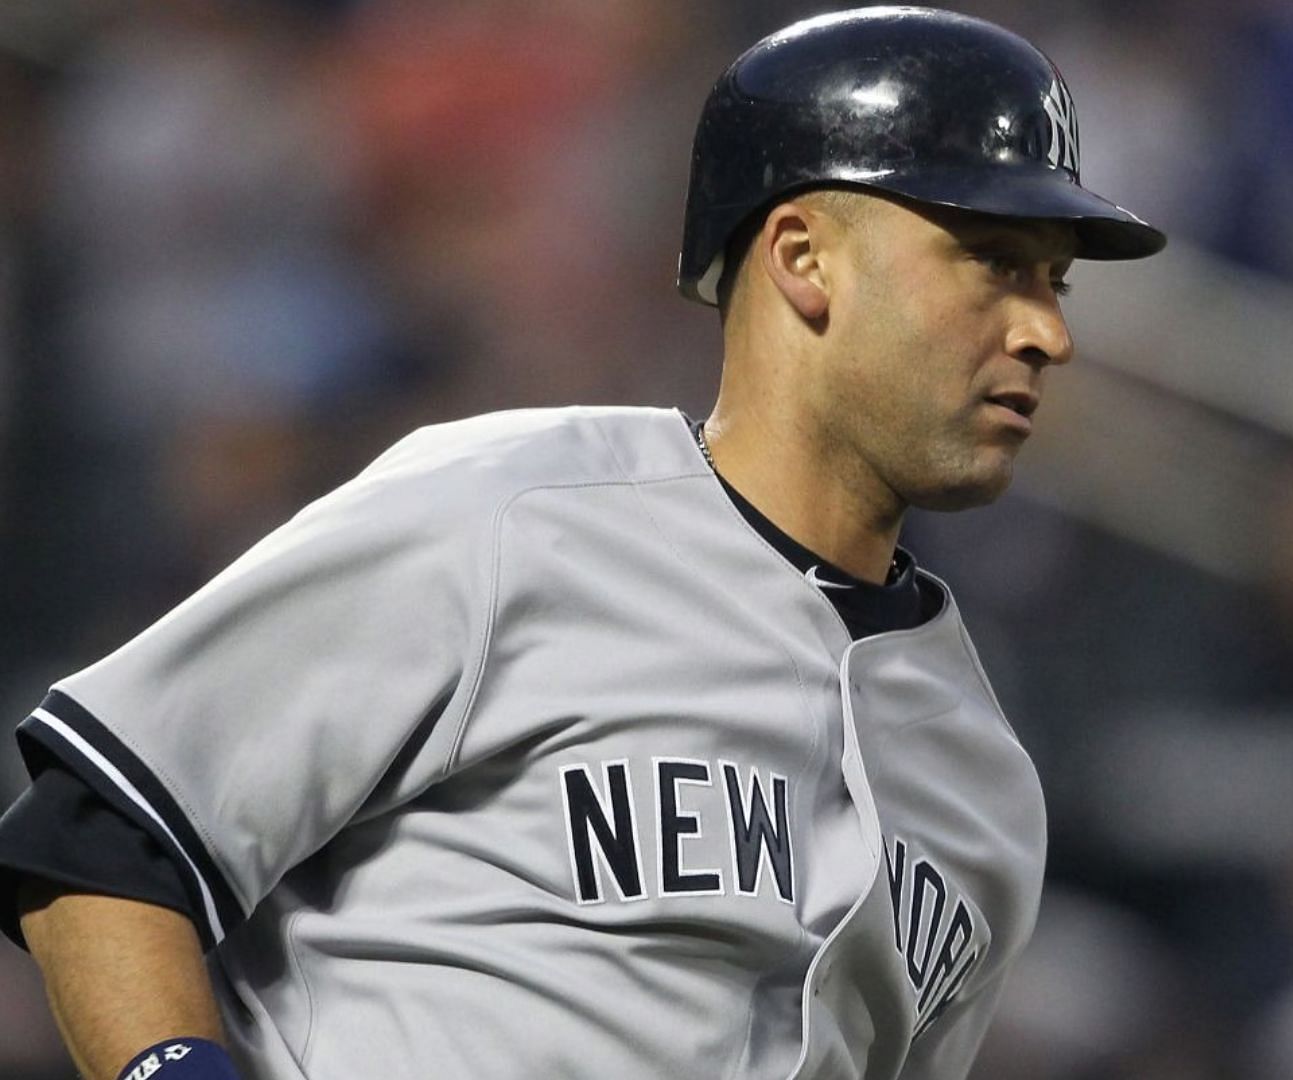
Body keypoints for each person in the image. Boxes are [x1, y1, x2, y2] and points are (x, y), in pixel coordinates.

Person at [0, 7, 1164, 1079]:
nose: (1047, 332)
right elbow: (103, 835)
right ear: (804, 257)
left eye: (1055, 282)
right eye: (995, 264)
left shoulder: (986, 782)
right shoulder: (509, 514)